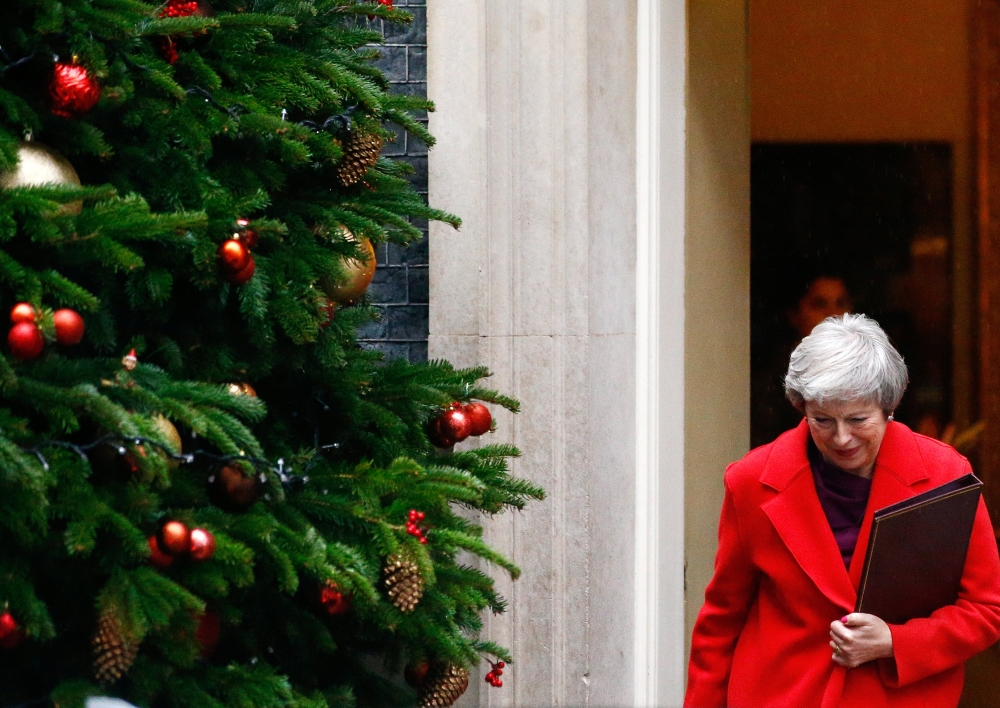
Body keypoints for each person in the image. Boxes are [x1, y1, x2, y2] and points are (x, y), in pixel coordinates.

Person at [686, 314, 1000, 708]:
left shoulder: (946, 475)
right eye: (822, 420)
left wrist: (895, 641)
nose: (841, 438)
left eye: (857, 419)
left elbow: (987, 610)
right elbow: (721, 621)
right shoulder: (750, 481)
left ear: (889, 406)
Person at [751, 274, 853, 447]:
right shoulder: (774, 381)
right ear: (794, 315)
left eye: (840, 304)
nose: (833, 315)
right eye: (819, 304)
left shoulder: (870, 372)